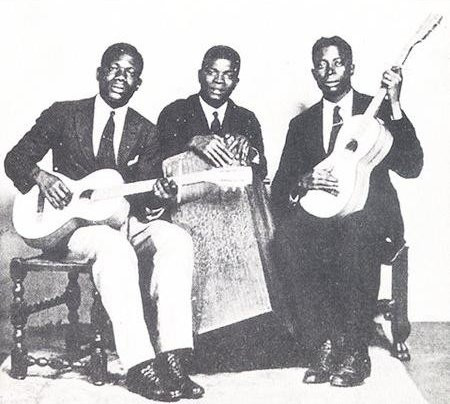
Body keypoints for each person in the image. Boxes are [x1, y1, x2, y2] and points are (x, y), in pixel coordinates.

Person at [4, 43, 204, 402]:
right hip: (73, 229)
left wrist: (158, 197)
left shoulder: (146, 131)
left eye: (130, 73)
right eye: (114, 68)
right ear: (99, 72)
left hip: (122, 218)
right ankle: (140, 366)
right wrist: (41, 177)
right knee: (114, 248)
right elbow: (15, 159)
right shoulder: (64, 114)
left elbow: (143, 200)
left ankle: (173, 358)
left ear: (138, 84)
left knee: (176, 239)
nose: (120, 77)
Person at [271, 36, 423, 387]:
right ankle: (323, 343)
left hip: (372, 216)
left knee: (356, 230)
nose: (330, 71)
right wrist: (303, 181)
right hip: (323, 217)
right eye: (322, 65)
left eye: (337, 63)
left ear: (351, 68)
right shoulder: (302, 125)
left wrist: (395, 103)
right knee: (287, 237)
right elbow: (280, 190)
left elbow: (412, 165)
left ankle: (355, 350)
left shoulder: (378, 109)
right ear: (314, 73)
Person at [157, 45, 267, 179]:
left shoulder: (246, 118)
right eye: (211, 72)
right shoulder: (174, 112)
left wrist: (251, 152)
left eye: (228, 75)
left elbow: (262, 172)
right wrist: (192, 143)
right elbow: (160, 163)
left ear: (236, 82)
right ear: (200, 75)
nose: (219, 80)